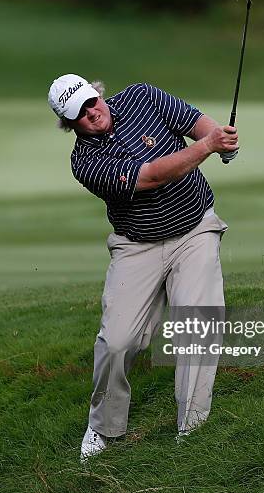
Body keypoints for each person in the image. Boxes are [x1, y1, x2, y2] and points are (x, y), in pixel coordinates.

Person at [47, 74, 239, 461]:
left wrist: (220, 139)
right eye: (79, 114)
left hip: (194, 229)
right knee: (118, 341)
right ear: (70, 124)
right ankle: (103, 425)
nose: (91, 112)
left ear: (98, 93)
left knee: (198, 325)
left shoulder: (142, 97)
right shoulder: (86, 163)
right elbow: (152, 175)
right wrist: (207, 146)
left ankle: (193, 428)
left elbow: (193, 120)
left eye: (91, 101)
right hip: (137, 246)